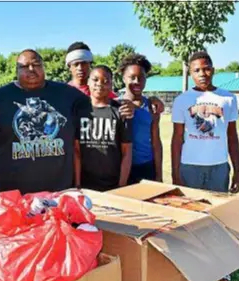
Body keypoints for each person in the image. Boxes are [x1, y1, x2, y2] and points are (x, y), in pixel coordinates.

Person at [0, 49, 133, 198]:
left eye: (36, 64)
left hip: (59, 193)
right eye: (25, 66)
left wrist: (129, 104)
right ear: (16, 70)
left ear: (43, 67)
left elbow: (100, 101)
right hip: (13, 194)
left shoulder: (67, 94)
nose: (31, 70)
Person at [171, 51, 239, 193]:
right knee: (191, 210)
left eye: (206, 69)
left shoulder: (228, 98)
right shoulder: (182, 100)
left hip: (219, 167)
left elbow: (232, 137)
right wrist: (175, 173)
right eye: (197, 70)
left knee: (217, 211)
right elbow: (177, 139)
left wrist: (237, 172)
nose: (202, 74)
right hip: (190, 166)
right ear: (191, 74)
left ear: (213, 70)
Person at [65, 41, 165, 115]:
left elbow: (127, 104)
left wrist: (151, 100)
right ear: (69, 66)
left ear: (90, 64)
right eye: (76, 64)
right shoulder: (62, 92)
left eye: (84, 63)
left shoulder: (104, 92)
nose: (80, 68)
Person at [74, 65, 133, 191]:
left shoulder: (121, 111)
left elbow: (127, 153)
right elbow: (77, 152)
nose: (99, 84)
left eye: (105, 81)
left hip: (114, 184)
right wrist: (78, 184)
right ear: (88, 82)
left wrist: (121, 186)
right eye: (95, 80)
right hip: (86, 184)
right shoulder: (79, 111)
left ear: (111, 84)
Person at [119, 54, 163, 184]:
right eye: (132, 77)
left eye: (141, 77)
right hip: (121, 168)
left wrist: (159, 174)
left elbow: (156, 142)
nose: (137, 81)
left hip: (146, 167)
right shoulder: (115, 105)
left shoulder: (152, 106)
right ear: (123, 79)